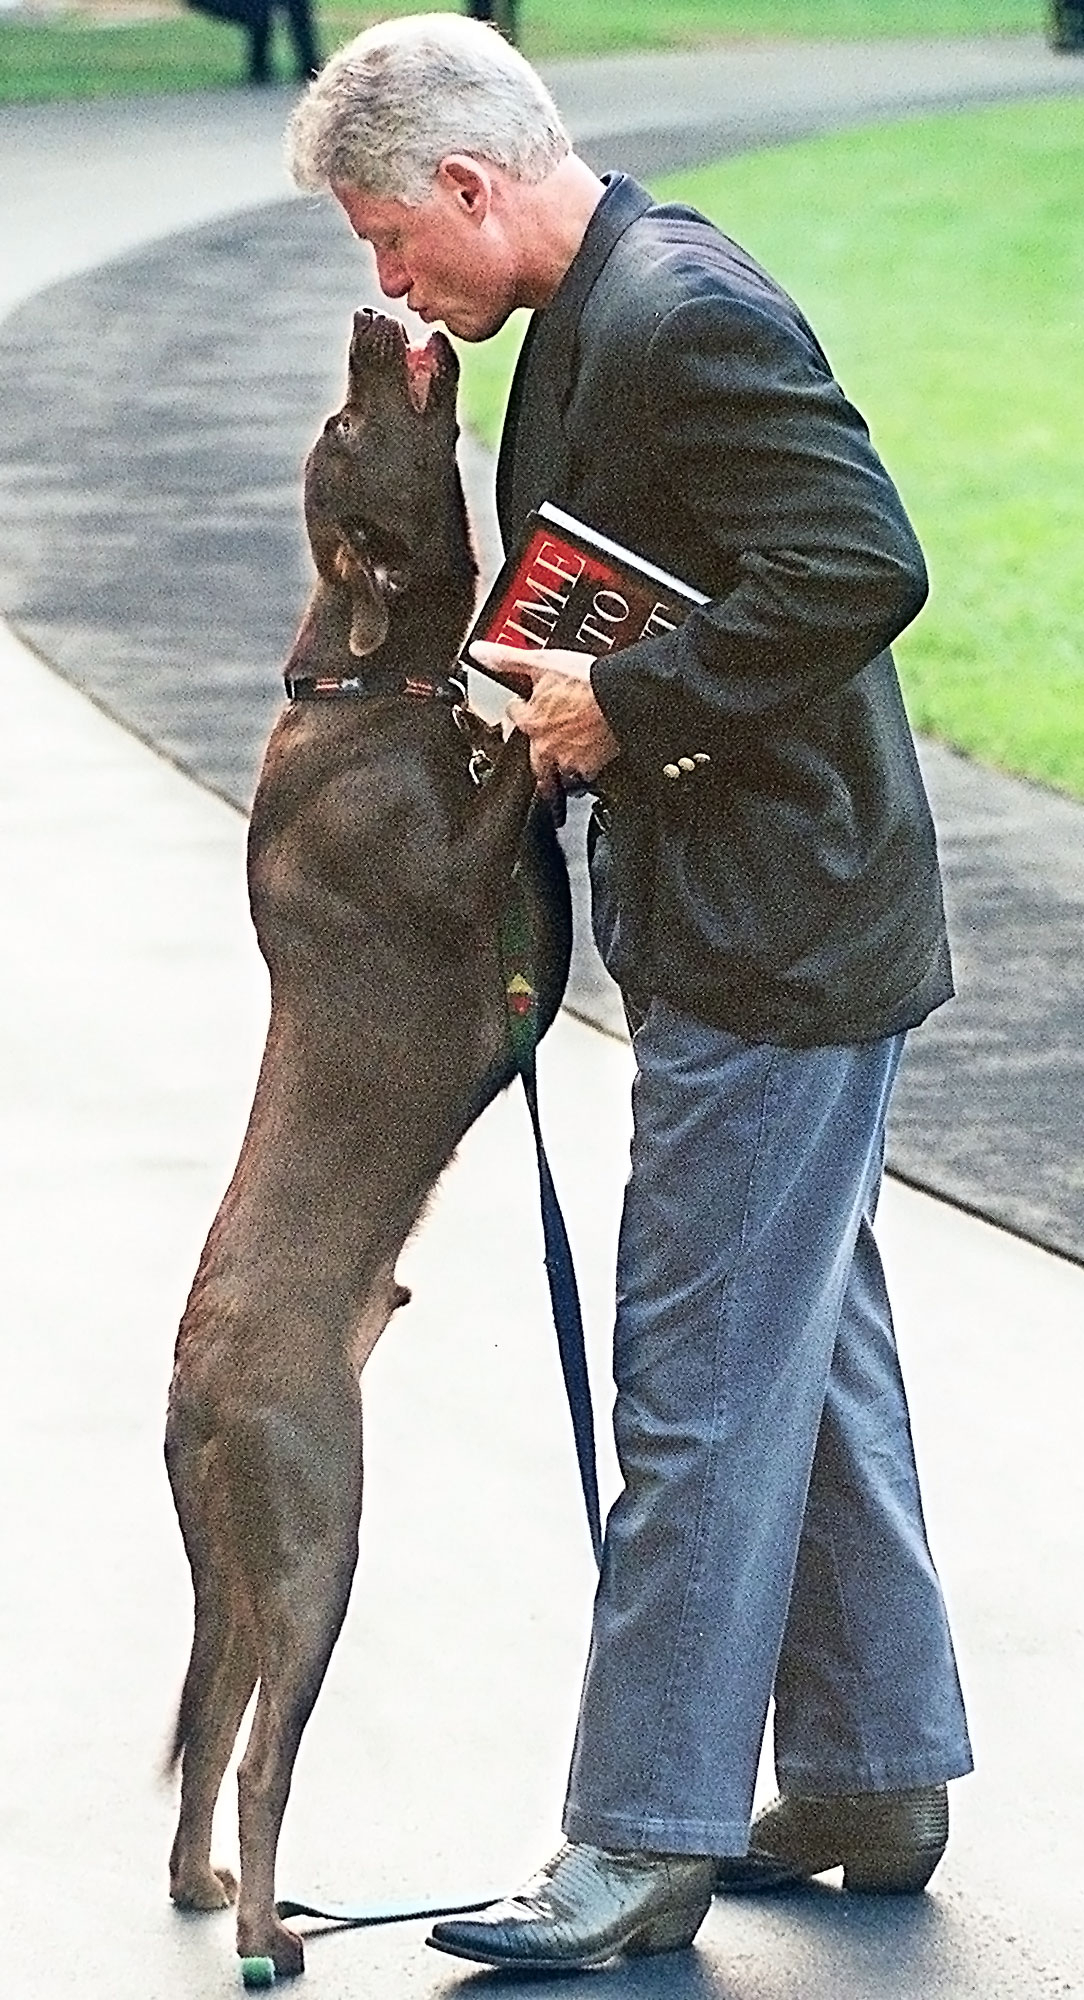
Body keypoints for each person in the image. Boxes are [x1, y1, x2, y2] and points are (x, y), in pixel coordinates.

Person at [285, 14, 973, 1973]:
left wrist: (628, 705)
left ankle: (635, 1841)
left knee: (693, 1388)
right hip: (756, 910)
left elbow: (860, 562)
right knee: (802, 1353)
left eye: (380, 232)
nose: (384, 276)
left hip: (782, 936)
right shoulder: (596, 312)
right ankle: (865, 1769)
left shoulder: (672, 315)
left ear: (469, 184)